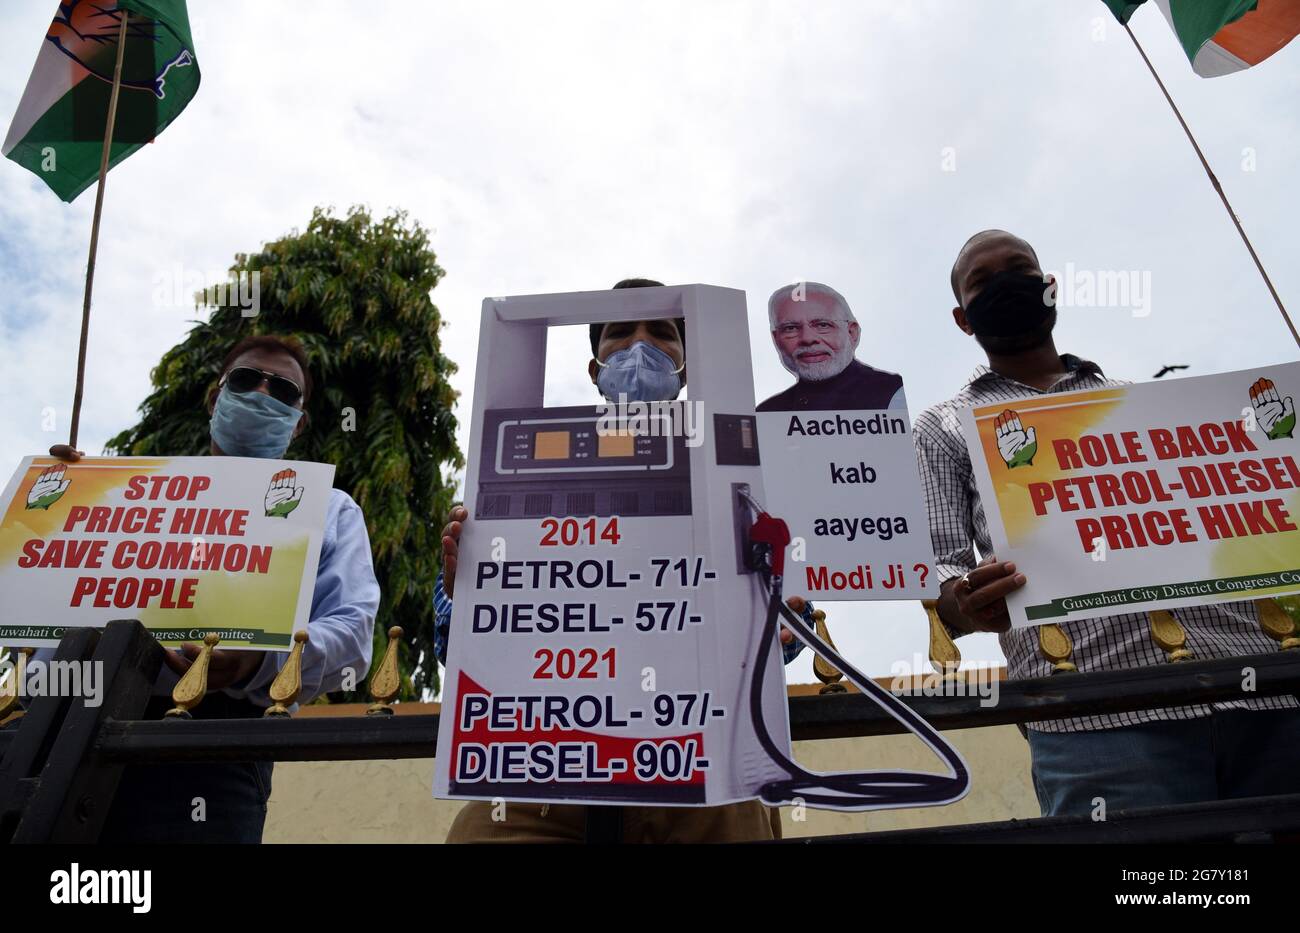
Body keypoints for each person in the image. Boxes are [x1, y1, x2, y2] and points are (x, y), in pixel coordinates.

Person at [913, 229, 1300, 817]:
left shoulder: (1142, 402)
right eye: (983, 283)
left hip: (1263, 682)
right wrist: (965, 602)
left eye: (1019, 270)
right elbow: (940, 574)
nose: (1005, 285)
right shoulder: (943, 426)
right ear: (962, 319)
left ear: (1050, 290)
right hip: (1097, 711)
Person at [434, 278, 808, 843]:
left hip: (705, 763)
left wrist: (778, 618)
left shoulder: (745, 469)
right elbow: (450, 648)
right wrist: (467, 596)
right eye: (619, 333)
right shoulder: (513, 470)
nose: (640, 346)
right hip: (547, 769)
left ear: (686, 364)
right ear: (593, 368)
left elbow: (789, 632)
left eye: (662, 334)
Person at [39, 334, 380, 843]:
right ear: (216, 398)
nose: (263, 394)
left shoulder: (329, 510)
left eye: (284, 391)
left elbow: (352, 633)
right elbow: (39, 597)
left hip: (212, 748)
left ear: (298, 423)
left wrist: (257, 662)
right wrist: (58, 499)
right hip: (54, 732)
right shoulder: (124, 496)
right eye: (245, 380)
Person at [757, 281, 905, 412]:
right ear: (776, 339)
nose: (807, 339)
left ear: (851, 332)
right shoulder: (768, 414)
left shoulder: (895, 392)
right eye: (791, 328)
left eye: (822, 325)